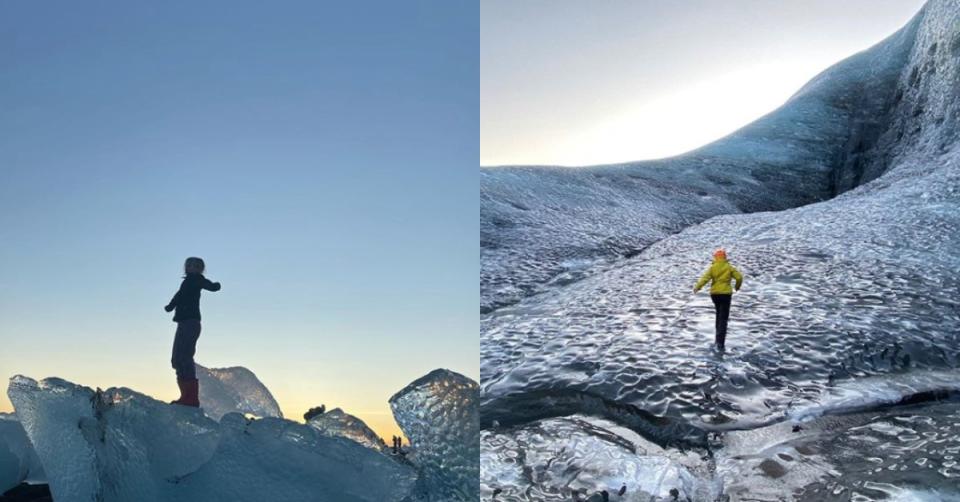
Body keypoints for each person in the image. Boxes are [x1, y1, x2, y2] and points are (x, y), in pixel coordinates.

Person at [164, 257, 221, 406]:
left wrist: (215, 286)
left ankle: (191, 398)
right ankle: (185, 396)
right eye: (190, 265)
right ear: (186, 267)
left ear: (200, 269)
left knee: (184, 357)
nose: (192, 267)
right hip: (183, 323)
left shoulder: (197, 279)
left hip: (191, 323)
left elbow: (206, 284)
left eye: (196, 266)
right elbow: (179, 295)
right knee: (176, 359)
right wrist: (170, 306)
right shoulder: (186, 282)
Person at [693, 249, 743, 350]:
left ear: (715, 257)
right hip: (726, 294)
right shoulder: (729, 267)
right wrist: (737, 287)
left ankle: (717, 337)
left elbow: (705, 278)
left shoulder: (712, 267)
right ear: (724, 257)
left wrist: (697, 287)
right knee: (723, 318)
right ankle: (720, 342)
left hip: (715, 294)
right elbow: (739, 277)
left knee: (718, 314)